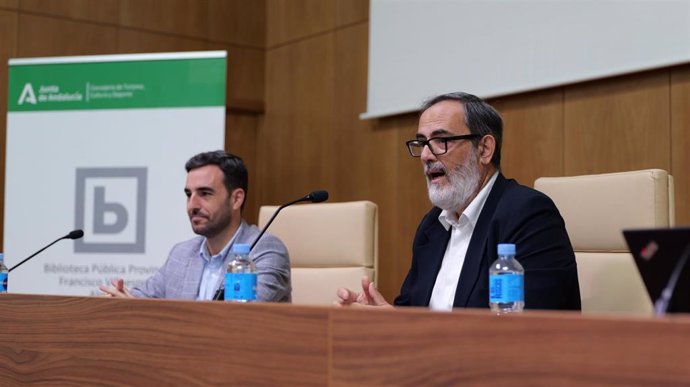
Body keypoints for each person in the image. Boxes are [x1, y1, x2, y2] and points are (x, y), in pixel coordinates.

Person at [337, 92, 580, 311]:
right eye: (422, 143)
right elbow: (413, 312)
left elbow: (531, 327)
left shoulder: (528, 215)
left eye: (441, 141)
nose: (425, 155)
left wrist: (417, 336)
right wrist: (386, 318)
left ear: (484, 149)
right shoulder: (433, 225)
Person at [99, 150, 291, 302]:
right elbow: (141, 298)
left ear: (236, 199)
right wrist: (121, 299)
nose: (193, 205)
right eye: (188, 194)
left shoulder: (264, 251)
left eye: (205, 193)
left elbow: (241, 318)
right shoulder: (181, 254)